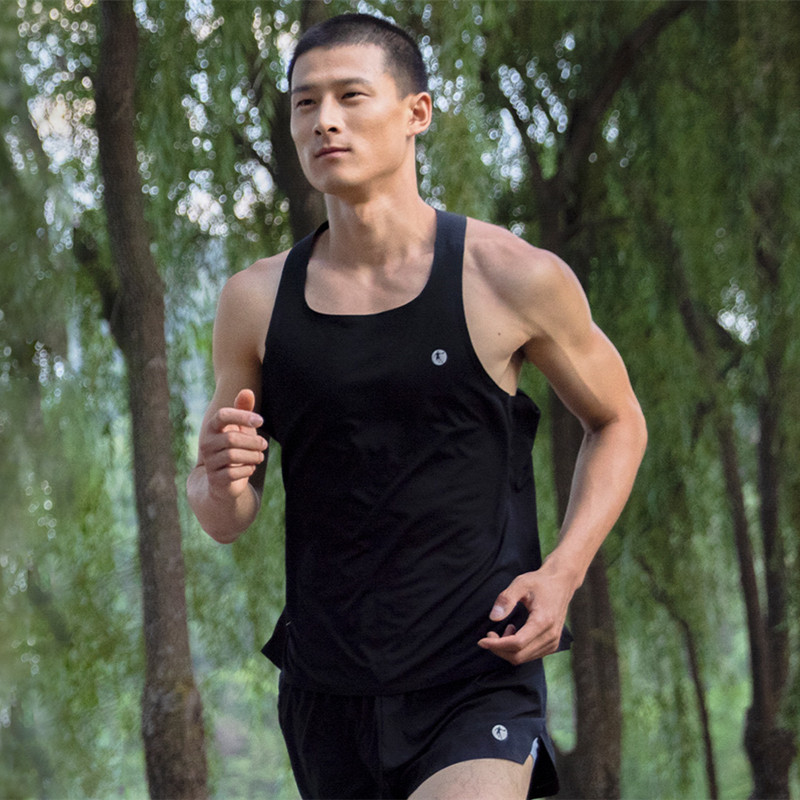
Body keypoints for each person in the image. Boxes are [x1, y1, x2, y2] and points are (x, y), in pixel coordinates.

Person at [188, 13, 647, 800]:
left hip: (477, 672)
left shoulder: (510, 276)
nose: (324, 120)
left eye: (351, 96)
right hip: (327, 686)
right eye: (304, 103)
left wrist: (563, 573)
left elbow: (618, 421)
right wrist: (219, 479)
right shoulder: (255, 300)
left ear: (416, 113)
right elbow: (225, 515)